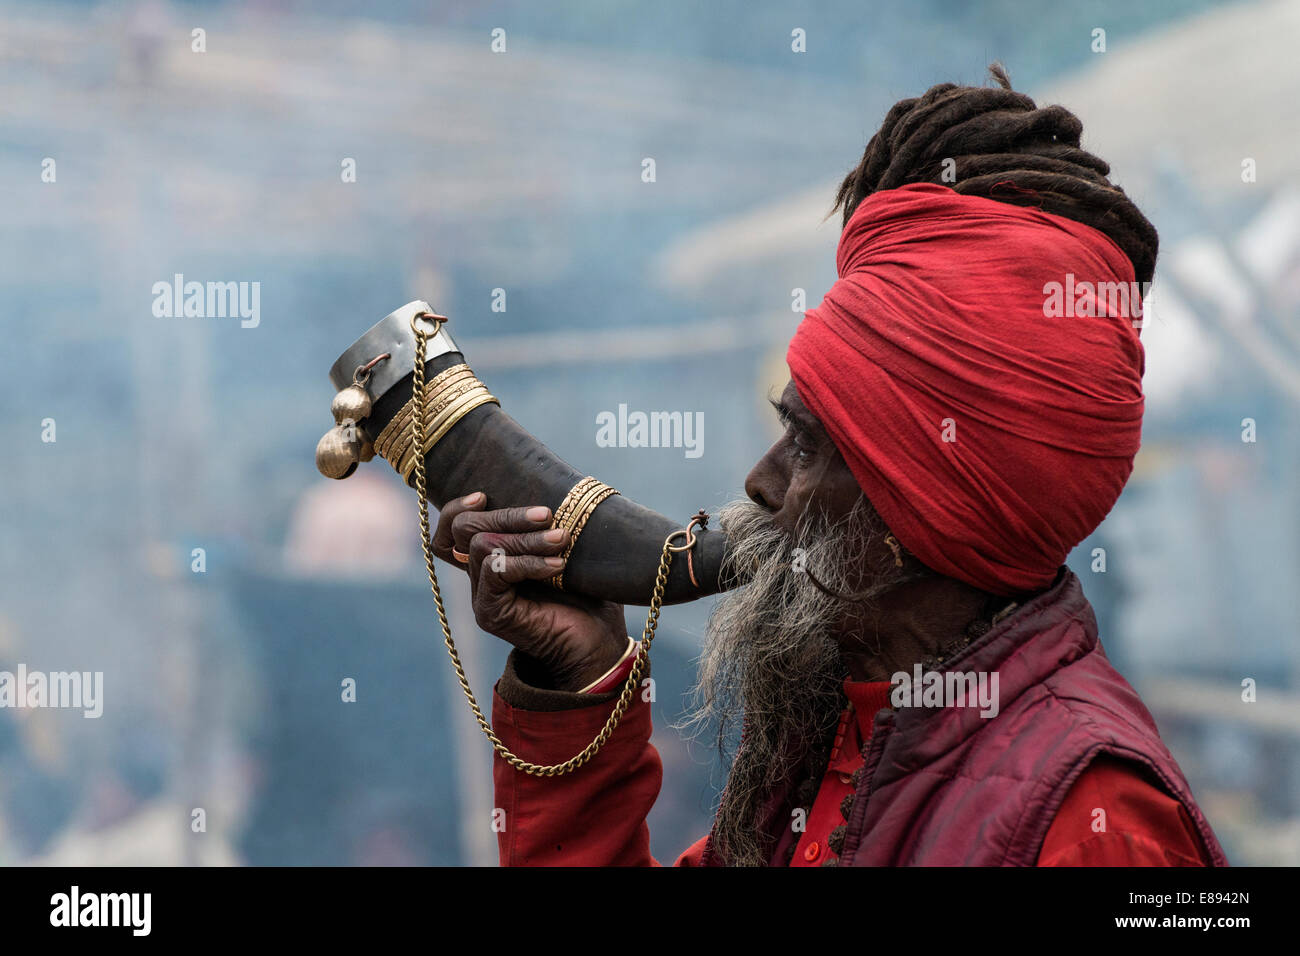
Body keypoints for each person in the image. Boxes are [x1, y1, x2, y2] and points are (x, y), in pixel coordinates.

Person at [430, 66, 1227, 867]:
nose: (761, 482)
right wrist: (576, 678)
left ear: (928, 504)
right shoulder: (835, 739)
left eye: (808, 445)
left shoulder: (1093, 819)